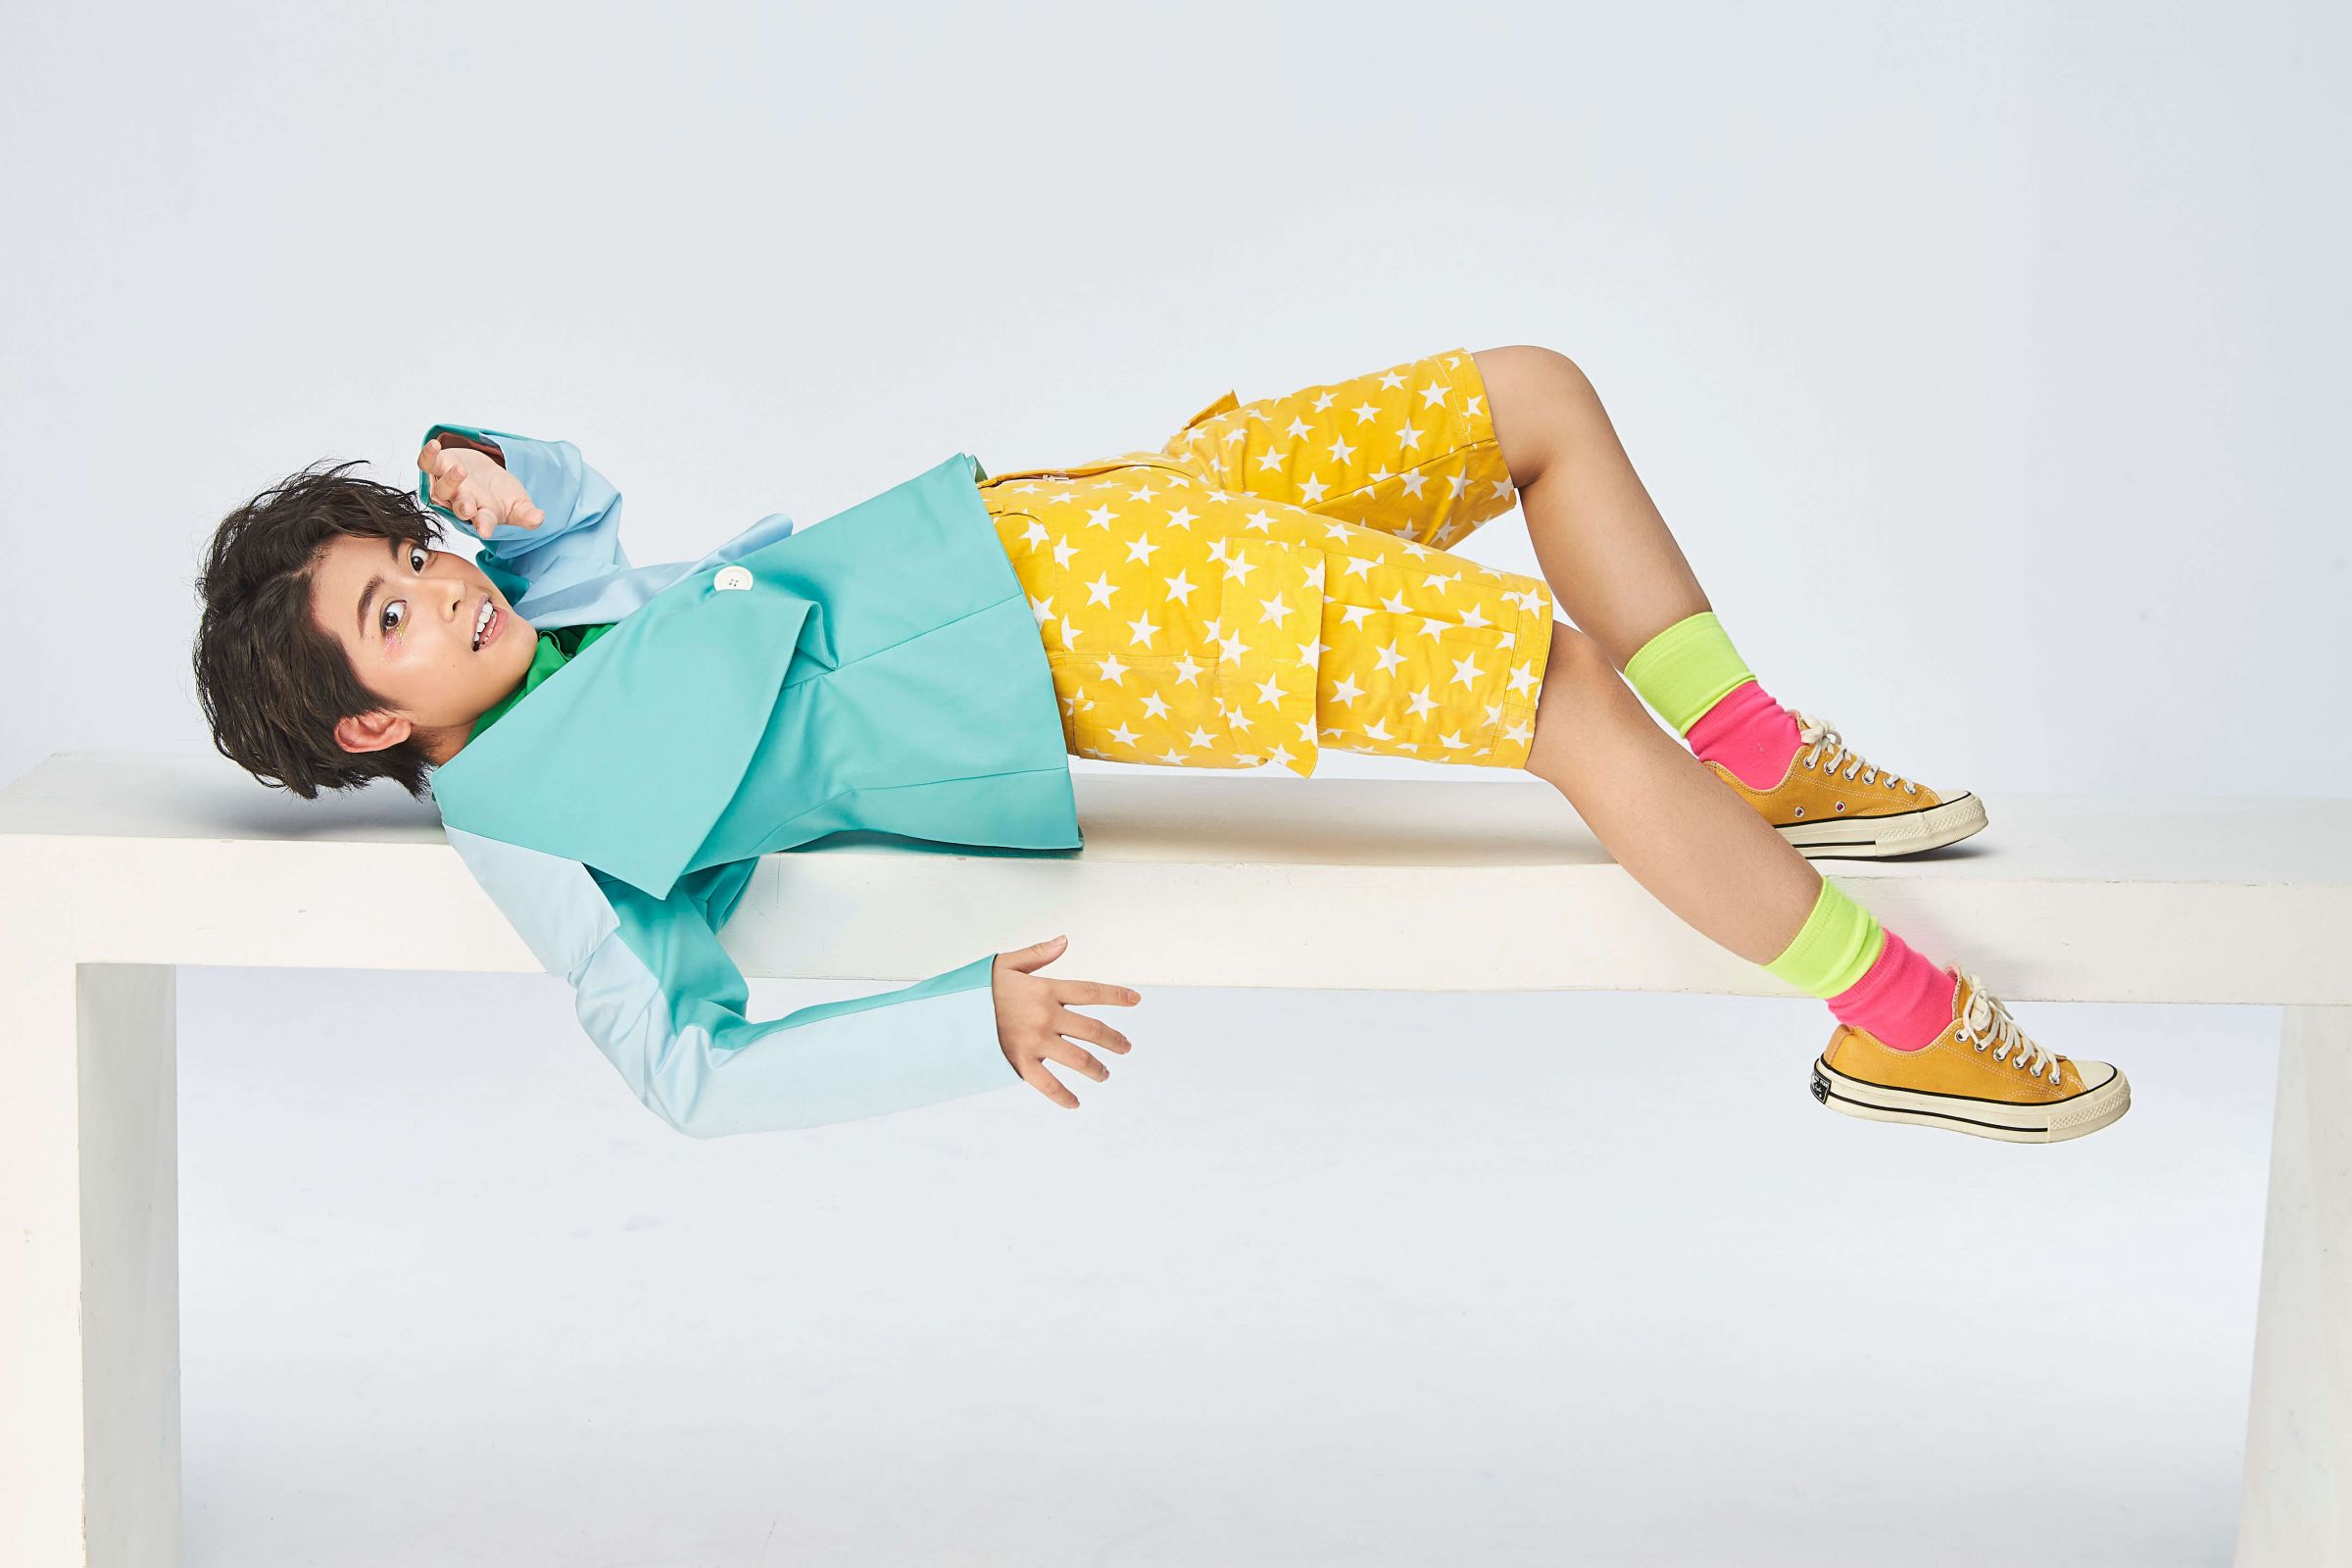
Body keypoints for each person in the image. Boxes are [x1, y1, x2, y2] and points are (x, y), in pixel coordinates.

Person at [189, 345, 2127, 1144]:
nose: (443, 589)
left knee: (1529, 395)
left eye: (418, 559)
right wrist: (959, 1025)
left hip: (1091, 514)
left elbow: (588, 533)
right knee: (1550, 690)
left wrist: (495, 478)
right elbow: (682, 1067)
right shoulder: (533, 810)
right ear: (371, 723)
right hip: (1109, 633)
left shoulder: (542, 634)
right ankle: (1901, 1019)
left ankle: (1758, 750)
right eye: (393, 616)